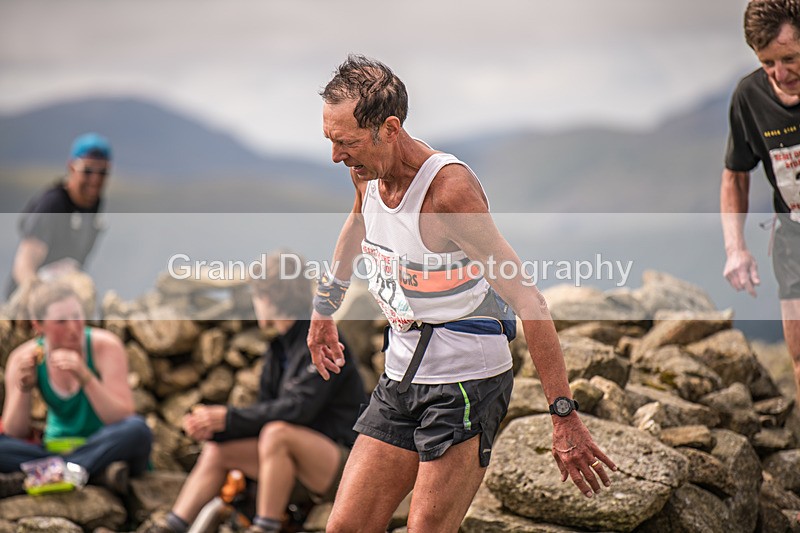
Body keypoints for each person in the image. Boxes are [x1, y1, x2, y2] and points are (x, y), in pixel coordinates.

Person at [308, 55, 616, 533]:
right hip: (401, 376)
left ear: (389, 129)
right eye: (330, 140)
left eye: (344, 142)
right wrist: (325, 307)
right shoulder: (365, 170)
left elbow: (529, 300)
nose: (335, 156)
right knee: (344, 527)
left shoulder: (448, 193)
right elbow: (358, 222)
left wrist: (563, 416)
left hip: (466, 383)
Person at [145, 252, 365, 533]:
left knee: (277, 433)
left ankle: (265, 527)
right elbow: (264, 415)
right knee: (218, 450)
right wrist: (216, 429)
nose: (254, 304)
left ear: (271, 298)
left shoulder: (321, 341)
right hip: (289, 464)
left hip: (340, 464)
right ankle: (171, 527)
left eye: (257, 296)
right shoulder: (278, 350)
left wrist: (228, 418)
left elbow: (297, 410)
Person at [722, 0, 800, 418]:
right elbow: (735, 174)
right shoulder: (749, 96)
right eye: (768, 62)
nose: (781, 74)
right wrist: (736, 248)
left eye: (790, 58)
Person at [0, 280, 151, 496]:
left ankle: (47, 473)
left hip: (104, 444)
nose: (73, 327)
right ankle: (80, 471)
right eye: (61, 321)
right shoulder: (22, 358)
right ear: (38, 325)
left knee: (137, 430)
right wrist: (24, 388)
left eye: (77, 316)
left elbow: (122, 417)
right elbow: (15, 432)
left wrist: (85, 377)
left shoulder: (104, 346)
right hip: (57, 447)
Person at [4, 132, 111, 300]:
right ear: (71, 167)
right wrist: (40, 301)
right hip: (31, 302)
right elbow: (24, 265)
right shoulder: (53, 204)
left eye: (103, 172)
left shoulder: (94, 203)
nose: (95, 179)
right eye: (88, 171)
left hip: (64, 297)